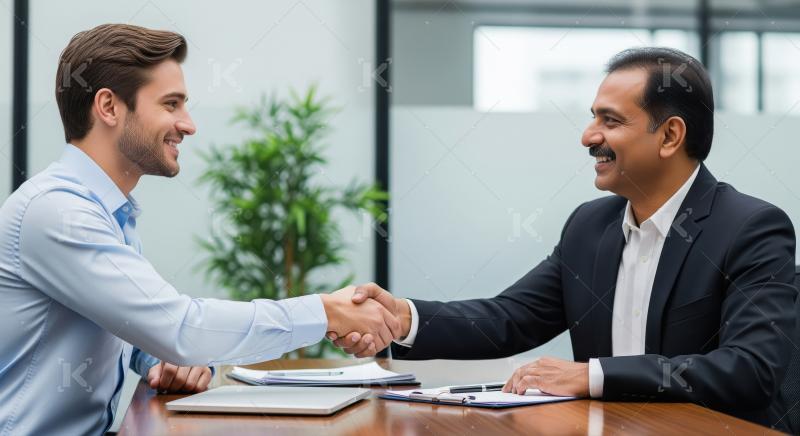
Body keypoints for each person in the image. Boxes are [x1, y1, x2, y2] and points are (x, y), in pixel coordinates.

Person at [331, 47, 797, 429]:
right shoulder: (589, 227)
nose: (588, 137)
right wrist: (402, 317)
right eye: (594, 118)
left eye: (610, 121)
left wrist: (592, 375)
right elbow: (509, 318)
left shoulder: (750, 228)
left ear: (670, 136)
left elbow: (751, 369)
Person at [0, 24, 400, 435]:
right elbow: (179, 327)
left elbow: (131, 326)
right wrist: (325, 311)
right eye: (171, 104)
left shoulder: (107, 213)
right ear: (109, 107)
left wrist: (159, 358)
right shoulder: (57, 212)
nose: (188, 125)